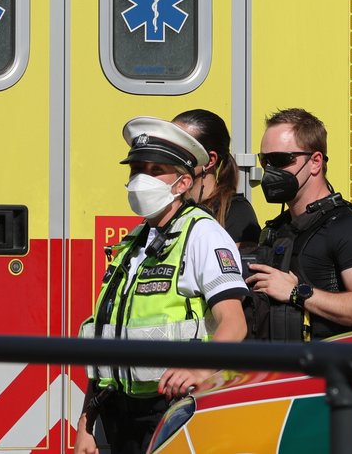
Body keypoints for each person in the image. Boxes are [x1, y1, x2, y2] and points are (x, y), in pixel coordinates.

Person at [74, 116, 248, 454]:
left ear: (183, 183)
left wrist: (198, 368)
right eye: (136, 170)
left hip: (170, 411)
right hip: (115, 414)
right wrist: (86, 424)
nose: (142, 180)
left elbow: (234, 323)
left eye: (156, 171)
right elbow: (105, 338)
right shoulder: (132, 243)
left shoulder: (203, 234)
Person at [245, 107, 352, 340]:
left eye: (281, 160)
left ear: (315, 162)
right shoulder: (277, 229)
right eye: (265, 161)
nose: (270, 171)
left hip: (326, 371)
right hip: (282, 371)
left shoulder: (346, 225)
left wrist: (296, 293)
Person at [173, 109, 261, 246]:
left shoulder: (236, 212)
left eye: (180, 148)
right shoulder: (168, 206)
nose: (168, 155)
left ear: (209, 160)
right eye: (167, 146)